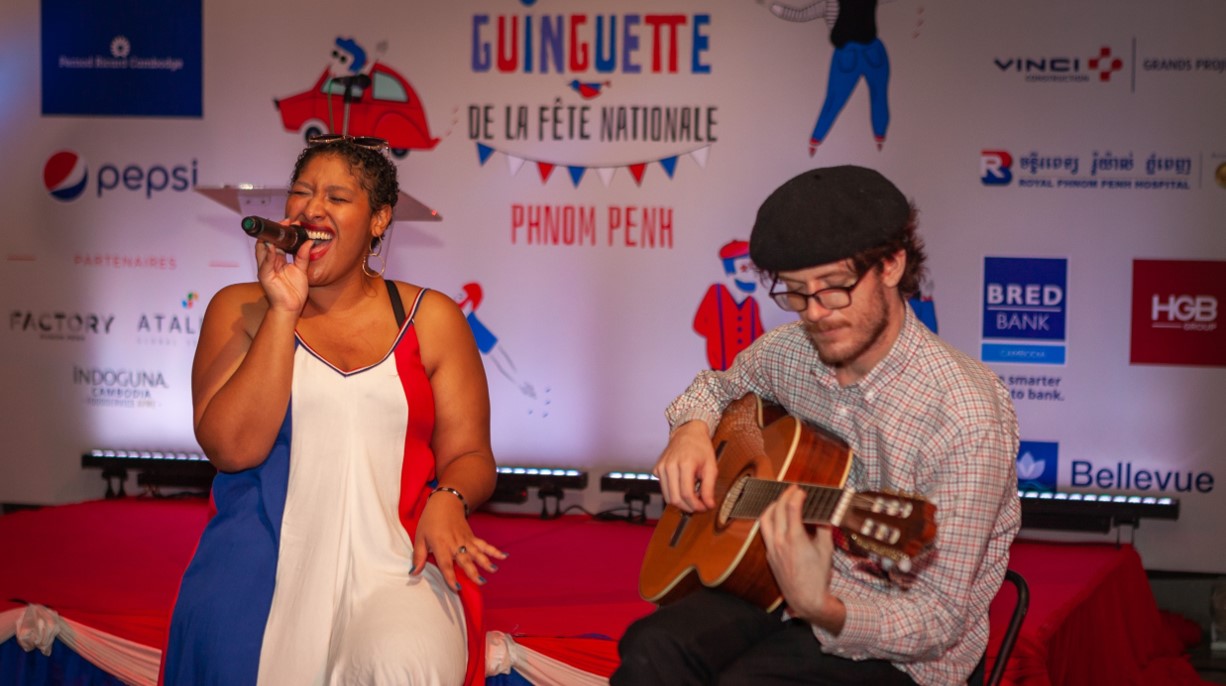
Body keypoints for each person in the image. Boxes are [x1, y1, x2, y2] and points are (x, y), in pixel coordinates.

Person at [613, 165, 1020, 686]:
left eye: (834, 288)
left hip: (899, 651)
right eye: (796, 293)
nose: (815, 314)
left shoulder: (965, 414)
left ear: (892, 265)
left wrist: (822, 607)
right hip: (773, 588)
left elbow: (937, 618)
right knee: (650, 650)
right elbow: (715, 388)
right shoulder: (792, 352)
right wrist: (689, 429)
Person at [162, 135, 504, 686]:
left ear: (379, 219)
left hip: (398, 563)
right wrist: (283, 310)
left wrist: (451, 497)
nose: (312, 209)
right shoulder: (240, 308)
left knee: (405, 664)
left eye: (337, 198)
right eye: (301, 193)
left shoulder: (431, 318)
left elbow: (470, 455)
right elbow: (232, 449)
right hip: (260, 565)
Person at [693, 239, 765, 371]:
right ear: (731, 270)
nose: (752, 273)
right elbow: (699, 325)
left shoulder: (752, 304)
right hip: (720, 371)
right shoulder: (715, 293)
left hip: (746, 374)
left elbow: (760, 336)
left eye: (754, 268)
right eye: (745, 267)